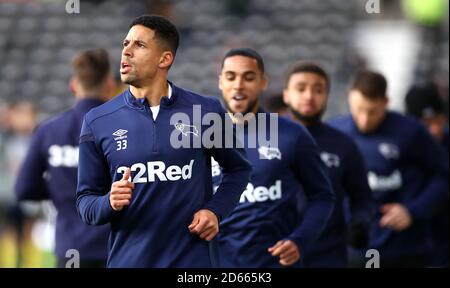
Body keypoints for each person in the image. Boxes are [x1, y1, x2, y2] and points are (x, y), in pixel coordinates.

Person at [76, 15, 252, 268]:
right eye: (126, 43)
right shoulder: (97, 120)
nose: (126, 51)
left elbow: (239, 168)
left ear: (165, 59)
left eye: (139, 45)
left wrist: (215, 210)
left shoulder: (206, 110)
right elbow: (85, 203)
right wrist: (109, 202)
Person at [214, 48, 335, 268]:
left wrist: (299, 240)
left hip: (274, 264)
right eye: (231, 77)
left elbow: (322, 196)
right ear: (221, 82)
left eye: (248, 77)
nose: (239, 85)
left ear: (263, 82)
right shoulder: (200, 137)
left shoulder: (293, 134)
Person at [329, 70, 448, 267]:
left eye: (372, 111)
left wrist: (412, 211)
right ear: (350, 98)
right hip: (352, 248)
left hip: (404, 249)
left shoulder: (411, 132)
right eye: (358, 109)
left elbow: (442, 175)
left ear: (385, 102)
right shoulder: (335, 132)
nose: (365, 119)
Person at [15, 48, 114, 268]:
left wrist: (61, 187)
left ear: (73, 85)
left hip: (71, 249)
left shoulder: (49, 130)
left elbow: (24, 188)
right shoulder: (123, 129)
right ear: (109, 84)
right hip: (115, 247)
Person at [282, 61, 374, 267]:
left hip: (327, 256)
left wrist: (360, 222)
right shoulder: (263, 140)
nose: (309, 95)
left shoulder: (343, 144)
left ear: (326, 96)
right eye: (301, 88)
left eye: (318, 89)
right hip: (271, 255)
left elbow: (362, 198)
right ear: (286, 94)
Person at [405, 82, 449, 267]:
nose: (435, 130)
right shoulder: (398, 148)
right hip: (408, 247)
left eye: (439, 121)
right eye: (427, 124)